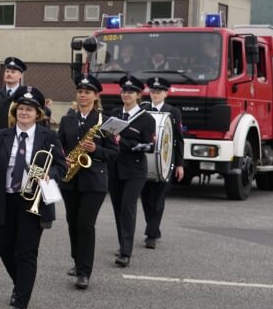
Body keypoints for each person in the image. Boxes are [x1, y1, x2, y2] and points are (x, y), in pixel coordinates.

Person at [0, 86, 66, 309]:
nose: (24, 112)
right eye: (21, 109)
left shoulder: (49, 137)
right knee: (4, 246)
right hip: (5, 198)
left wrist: (50, 175)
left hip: (32, 200)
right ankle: (21, 284)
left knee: (26, 252)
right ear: (15, 111)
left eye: (30, 109)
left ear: (38, 114)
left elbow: (61, 166)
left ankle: (20, 303)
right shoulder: (0, 137)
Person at [57, 74, 117, 290]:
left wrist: (96, 149)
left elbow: (115, 153)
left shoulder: (107, 122)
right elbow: (59, 146)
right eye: (80, 92)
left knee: (85, 224)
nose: (83, 95)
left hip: (94, 180)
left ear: (95, 96)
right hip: (70, 179)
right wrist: (63, 158)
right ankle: (77, 261)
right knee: (72, 222)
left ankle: (84, 272)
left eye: (87, 92)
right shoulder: (67, 120)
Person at [107, 75, 157, 268]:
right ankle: (123, 244)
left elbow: (149, 146)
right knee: (118, 208)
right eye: (124, 91)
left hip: (135, 169)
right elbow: (108, 139)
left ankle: (126, 252)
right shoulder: (115, 114)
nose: (126, 94)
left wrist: (123, 142)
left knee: (128, 207)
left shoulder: (146, 119)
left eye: (131, 92)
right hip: (115, 167)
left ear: (138, 95)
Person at [140, 76, 185, 249]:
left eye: (159, 92)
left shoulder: (173, 112)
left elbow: (179, 140)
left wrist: (179, 164)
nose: (155, 94)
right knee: (146, 198)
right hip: (146, 161)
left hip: (166, 160)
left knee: (158, 198)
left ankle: (151, 235)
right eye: (153, 91)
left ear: (166, 93)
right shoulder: (143, 109)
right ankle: (154, 228)